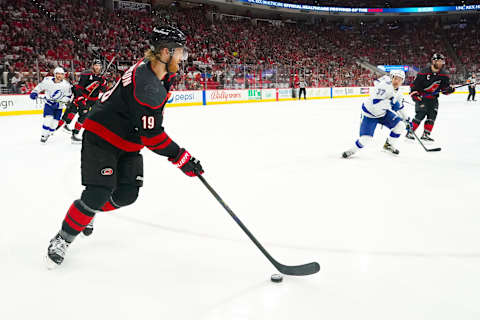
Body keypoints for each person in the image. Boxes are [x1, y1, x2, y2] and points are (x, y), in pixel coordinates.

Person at [46, 26, 204, 268]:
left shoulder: (156, 68)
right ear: (165, 51)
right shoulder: (148, 83)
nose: (183, 58)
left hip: (129, 143)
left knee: (127, 195)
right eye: (179, 52)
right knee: (98, 192)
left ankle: (88, 212)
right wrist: (180, 157)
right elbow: (152, 136)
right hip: (102, 137)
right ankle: (63, 238)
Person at [342, 70, 408, 158]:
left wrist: (406, 118)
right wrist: (391, 103)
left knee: (401, 125)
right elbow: (375, 103)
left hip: (383, 113)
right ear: (392, 78)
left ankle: (388, 145)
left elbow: (400, 106)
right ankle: (352, 150)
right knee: (366, 139)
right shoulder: (384, 86)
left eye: (400, 80)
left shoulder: (399, 92)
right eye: (395, 78)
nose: (397, 81)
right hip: (370, 114)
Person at [406, 53, 455, 142]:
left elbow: (444, 89)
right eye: (438, 61)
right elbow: (414, 85)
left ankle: (426, 134)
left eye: (442, 61)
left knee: (432, 115)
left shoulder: (444, 75)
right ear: (433, 61)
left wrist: (449, 90)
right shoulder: (423, 72)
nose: (440, 63)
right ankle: (410, 132)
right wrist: (414, 94)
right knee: (420, 114)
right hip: (422, 97)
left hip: (433, 99)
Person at [57, 60, 107, 144]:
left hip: (93, 100)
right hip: (84, 98)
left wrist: (103, 83)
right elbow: (79, 87)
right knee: (78, 112)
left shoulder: (102, 78)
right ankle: (68, 128)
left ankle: (74, 131)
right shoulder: (86, 74)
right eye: (96, 65)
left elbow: (104, 89)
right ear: (92, 66)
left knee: (85, 116)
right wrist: (80, 98)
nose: (97, 67)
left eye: (99, 66)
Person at [29, 67, 72, 143]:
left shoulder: (66, 85)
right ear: (54, 74)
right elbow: (39, 87)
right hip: (49, 104)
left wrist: (60, 102)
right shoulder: (47, 80)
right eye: (58, 74)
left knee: (55, 124)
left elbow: (68, 96)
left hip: (59, 106)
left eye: (61, 74)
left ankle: (49, 133)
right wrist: (34, 92)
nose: (59, 76)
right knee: (48, 119)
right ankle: (43, 135)